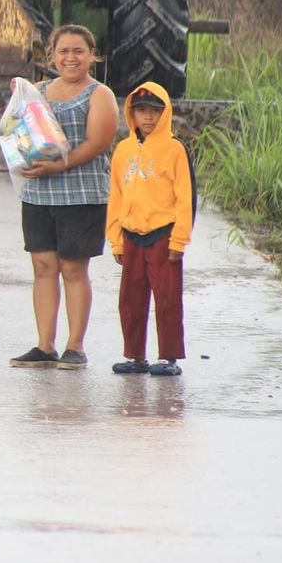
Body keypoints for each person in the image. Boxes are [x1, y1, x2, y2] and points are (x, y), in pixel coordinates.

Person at [11, 24, 119, 370]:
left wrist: (58, 166)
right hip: (39, 194)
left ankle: (75, 346)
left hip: (81, 195)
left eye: (78, 51)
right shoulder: (38, 91)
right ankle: (45, 345)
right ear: (52, 55)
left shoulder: (99, 94)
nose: (70, 58)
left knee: (73, 269)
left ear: (92, 56)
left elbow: (98, 143)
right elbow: (20, 131)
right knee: (43, 267)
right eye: (63, 51)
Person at [107, 84, 196, 377]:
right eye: (142, 111)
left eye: (155, 112)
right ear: (132, 114)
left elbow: (186, 197)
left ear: (165, 113)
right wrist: (116, 240)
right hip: (132, 235)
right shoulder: (123, 149)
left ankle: (168, 357)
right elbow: (116, 196)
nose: (148, 118)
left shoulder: (175, 149)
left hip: (163, 235)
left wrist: (179, 239)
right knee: (130, 300)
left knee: (167, 298)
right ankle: (135, 356)